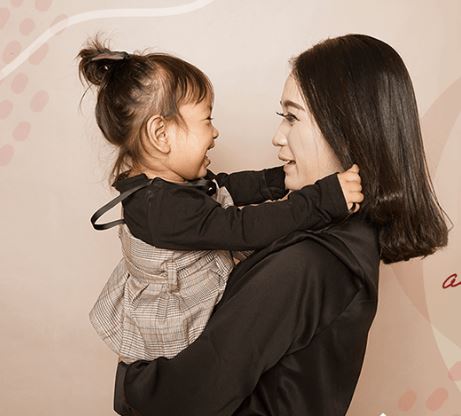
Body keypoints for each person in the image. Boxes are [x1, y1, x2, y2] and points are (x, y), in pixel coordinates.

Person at [112, 34, 449, 416]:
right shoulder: (347, 236)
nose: (277, 138)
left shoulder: (305, 264)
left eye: (292, 117)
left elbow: (187, 399)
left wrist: (129, 380)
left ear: (347, 128)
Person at [78, 39, 364, 365]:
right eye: (207, 119)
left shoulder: (165, 184)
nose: (215, 133)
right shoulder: (160, 208)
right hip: (182, 336)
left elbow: (223, 187)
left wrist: (278, 179)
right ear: (161, 134)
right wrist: (322, 199)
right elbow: (241, 229)